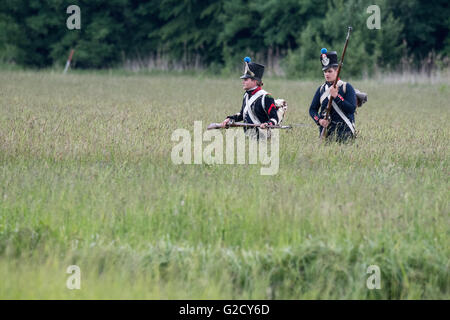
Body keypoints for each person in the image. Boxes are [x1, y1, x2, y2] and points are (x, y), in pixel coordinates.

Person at [221, 57, 280, 139]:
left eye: (246, 79)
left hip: (263, 138)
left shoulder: (266, 97)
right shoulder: (246, 95)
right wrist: (230, 119)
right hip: (248, 137)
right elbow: (242, 115)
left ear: (255, 81)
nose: (243, 82)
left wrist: (267, 124)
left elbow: (274, 119)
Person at [309, 48, 357, 142]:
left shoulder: (346, 87)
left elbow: (351, 109)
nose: (327, 74)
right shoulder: (321, 89)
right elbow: (312, 110)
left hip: (345, 133)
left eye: (330, 71)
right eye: (325, 71)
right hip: (327, 134)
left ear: (337, 70)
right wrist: (319, 121)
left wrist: (336, 96)